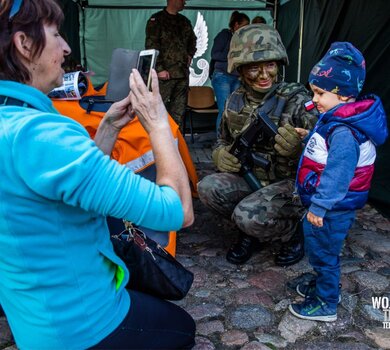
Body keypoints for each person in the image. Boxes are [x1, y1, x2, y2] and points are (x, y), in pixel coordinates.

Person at [0, 0, 196, 349]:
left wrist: (107, 129)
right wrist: (158, 123)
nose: (66, 47)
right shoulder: (42, 136)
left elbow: (62, 188)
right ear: (24, 44)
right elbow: (178, 210)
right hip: (84, 325)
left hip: (34, 322)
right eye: (56, 34)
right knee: (182, 328)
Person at [198, 24, 318, 266]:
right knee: (208, 188)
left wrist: (301, 147)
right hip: (252, 178)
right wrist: (220, 154)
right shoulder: (234, 100)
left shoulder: (297, 100)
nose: (264, 75)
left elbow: (328, 148)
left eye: (270, 66)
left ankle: (292, 233)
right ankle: (253, 231)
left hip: (290, 186)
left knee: (246, 215)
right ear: (240, 70)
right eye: (254, 68)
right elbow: (223, 139)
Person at [289, 42, 388, 321]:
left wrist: (319, 206)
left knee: (324, 252)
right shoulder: (336, 120)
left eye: (319, 93)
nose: (314, 99)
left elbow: (339, 172)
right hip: (331, 205)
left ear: (343, 95)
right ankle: (323, 282)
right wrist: (308, 137)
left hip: (331, 207)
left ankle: (327, 301)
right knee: (320, 249)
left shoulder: (344, 132)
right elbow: (328, 150)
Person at [145, 0, 197, 128]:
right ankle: (153, 144)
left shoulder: (184, 21)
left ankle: (175, 143)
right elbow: (151, 46)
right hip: (164, 76)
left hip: (182, 74)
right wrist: (159, 68)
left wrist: (190, 54)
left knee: (178, 112)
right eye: (182, 0)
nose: (184, 2)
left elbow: (193, 41)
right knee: (156, 110)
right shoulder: (156, 20)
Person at [210, 10, 249, 135]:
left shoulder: (243, 39)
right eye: (245, 25)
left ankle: (230, 140)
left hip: (236, 77)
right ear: (236, 25)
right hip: (222, 76)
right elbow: (215, 54)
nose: (247, 28)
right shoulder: (224, 35)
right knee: (224, 110)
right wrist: (233, 56)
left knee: (234, 110)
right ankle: (220, 141)